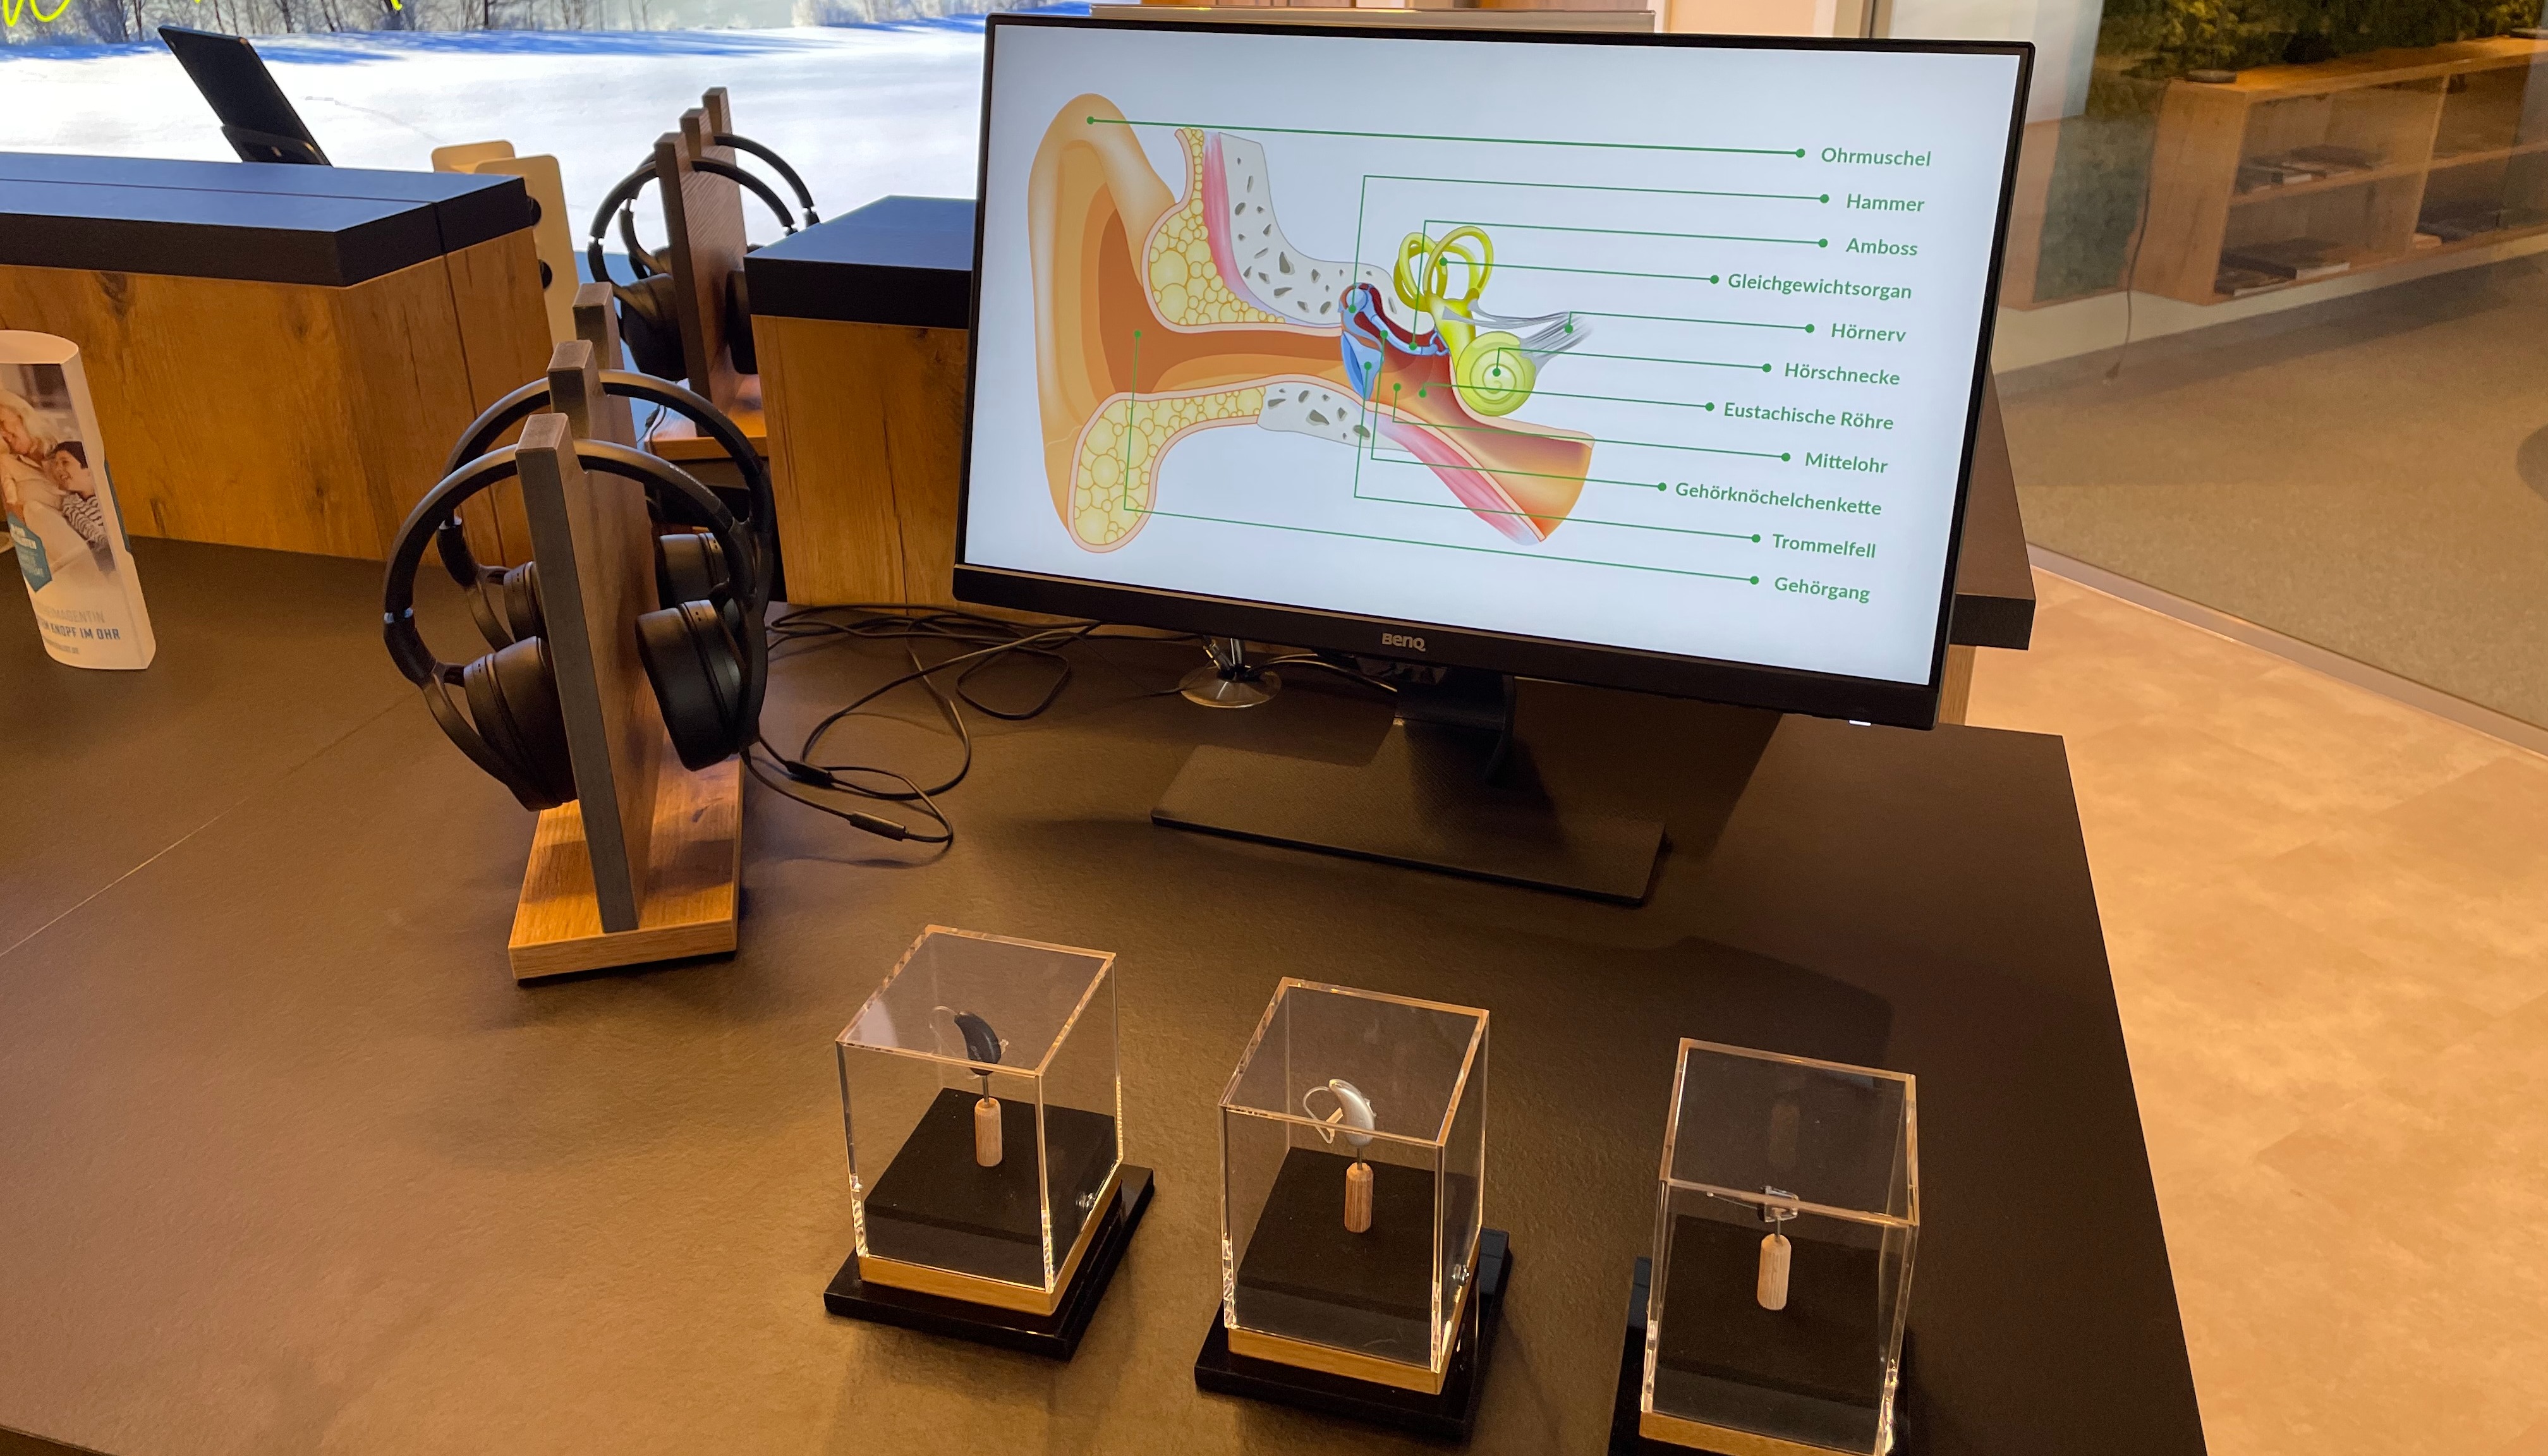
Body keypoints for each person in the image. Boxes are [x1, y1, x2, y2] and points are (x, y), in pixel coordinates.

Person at [46, 441, 115, 571]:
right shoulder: (71, 504)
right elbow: (86, 527)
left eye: (65, 462)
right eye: (56, 464)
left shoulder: (109, 493)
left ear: (88, 467)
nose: (58, 469)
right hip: (104, 553)